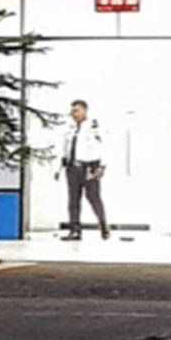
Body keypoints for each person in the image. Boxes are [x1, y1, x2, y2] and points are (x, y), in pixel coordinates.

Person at [60, 99, 108, 240]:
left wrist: (102, 166)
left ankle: (103, 225)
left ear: (84, 111)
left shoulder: (94, 127)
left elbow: (104, 146)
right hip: (72, 167)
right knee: (73, 200)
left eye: (76, 111)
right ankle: (75, 230)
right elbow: (65, 147)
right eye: (72, 111)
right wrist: (60, 166)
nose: (73, 114)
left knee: (93, 197)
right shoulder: (70, 128)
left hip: (89, 166)